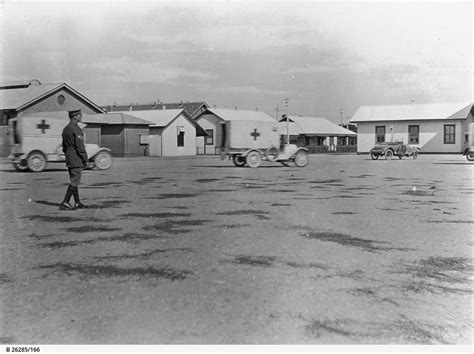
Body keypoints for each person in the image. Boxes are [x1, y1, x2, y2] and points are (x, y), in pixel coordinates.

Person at [59, 109, 88, 210]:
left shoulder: (66, 129)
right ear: (75, 117)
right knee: (75, 181)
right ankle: (65, 202)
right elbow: (80, 146)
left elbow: (63, 146)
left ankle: (77, 202)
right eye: (80, 115)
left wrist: (68, 154)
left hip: (69, 156)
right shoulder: (75, 129)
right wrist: (85, 158)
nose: (81, 116)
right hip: (76, 157)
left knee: (73, 179)